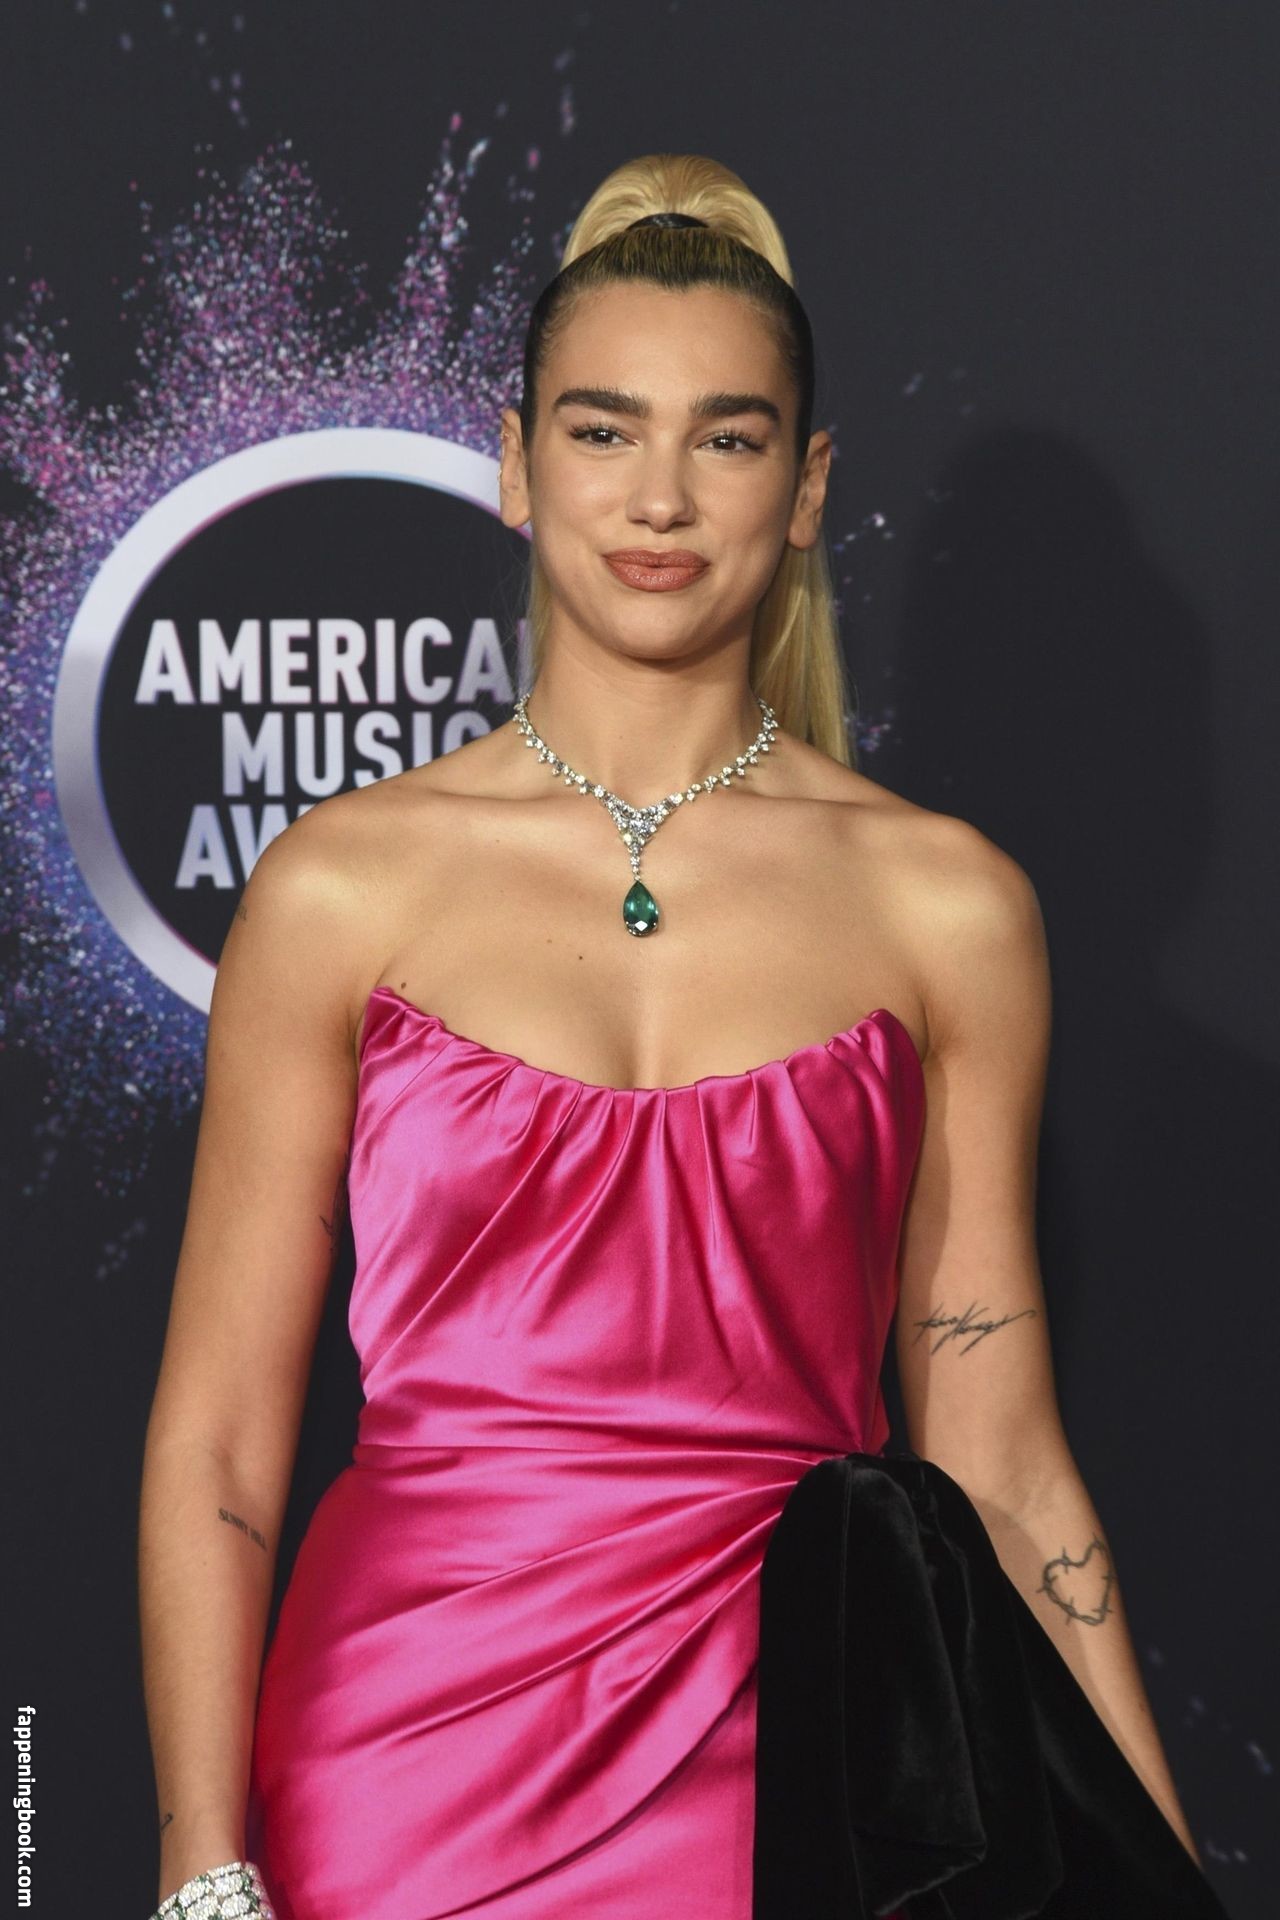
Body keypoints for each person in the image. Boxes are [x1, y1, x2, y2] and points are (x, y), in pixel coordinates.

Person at [137, 151, 1203, 1920]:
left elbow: (1003, 1458)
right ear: (513, 464)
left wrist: (1159, 1876)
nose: (660, 496)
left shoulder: (948, 908)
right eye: (602, 428)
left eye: (727, 437)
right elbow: (221, 1446)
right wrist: (201, 1866)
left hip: (800, 1765)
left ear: (808, 486)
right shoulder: (337, 888)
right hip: (393, 1766)